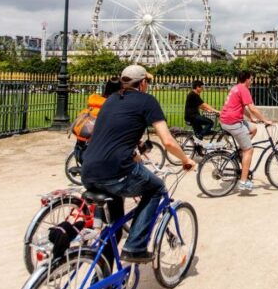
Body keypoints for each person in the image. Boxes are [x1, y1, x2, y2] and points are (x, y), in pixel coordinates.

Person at [81, 65, 195, 263]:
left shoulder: (110, 101)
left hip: (89, 170)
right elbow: (167, 141)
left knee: (112, 231)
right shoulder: (147, 101)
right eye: (148, 82)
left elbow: (112, 135)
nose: (148, 85)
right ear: (142, 83)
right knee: (156, 188)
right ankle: (135, 246)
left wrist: (134, 153)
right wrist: (186, 160)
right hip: (116, 172)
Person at [219, 70, 273, 193]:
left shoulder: (236, 88)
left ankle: (241, 150)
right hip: (232, 122)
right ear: (247, 79)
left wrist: (251, 119)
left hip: (227, 119)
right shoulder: (244, 89)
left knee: (253, 128)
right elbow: (252, 108)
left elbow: (241, 107)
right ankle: (243, 182)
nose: (252, 81)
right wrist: (265, 120)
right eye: (251, 79)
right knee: (249, 149)